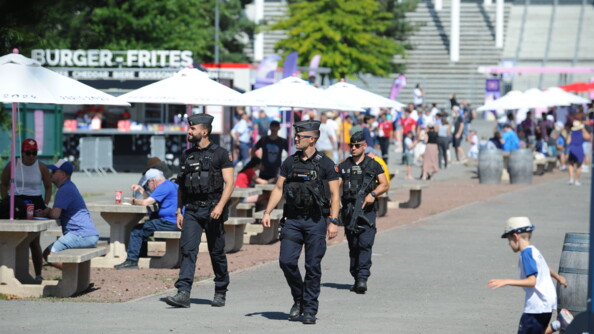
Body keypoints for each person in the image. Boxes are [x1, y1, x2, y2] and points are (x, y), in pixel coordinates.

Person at [261, 120, 340, 325]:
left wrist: (333, 221)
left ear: (312, 139)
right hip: (293, 220)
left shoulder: (326, 164)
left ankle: (309, 309)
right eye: (296, 136)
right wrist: (268, 211)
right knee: (286, 261)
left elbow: (335, 194)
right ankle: (299, 298)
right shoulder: (290, 162)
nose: (296, 139)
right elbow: (279, 188)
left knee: (312, 266)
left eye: (300, 136)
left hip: (315, 220)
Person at [165, 113, 235, 308]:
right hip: (192, 211)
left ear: (204, 131)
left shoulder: (220, 153)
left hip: (213, 209)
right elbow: (182, 186)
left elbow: (230, 183)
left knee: (217, 252)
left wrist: (220, 206)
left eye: (192, 129)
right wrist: (179, 210)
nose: (188, 131)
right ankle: (183, 293)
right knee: (187, 251)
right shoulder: (187, 155)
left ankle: (220, 290)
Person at [487, 217, 568, 334]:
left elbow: (532, 281)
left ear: (515, 236)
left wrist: (506, 281)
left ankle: (560, 323)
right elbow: (545, 268)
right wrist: (559, 278)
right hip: (546, 303)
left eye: (509, 240)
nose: (509, 244)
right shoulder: (534, 250)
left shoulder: (526, 254)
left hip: (537, 306)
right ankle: (559, 324)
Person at [338, 131, 389, 294]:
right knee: (353, 246)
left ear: (364, 146)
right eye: (351, 145)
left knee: (365, 244)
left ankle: (362, 278)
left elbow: (384, 184)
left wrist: (373, 194)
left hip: (367, 212)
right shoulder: (344, 166)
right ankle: (355, 276)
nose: (353, 148)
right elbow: (335, 187)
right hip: (349, 211)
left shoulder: (373, 164)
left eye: (357, 145)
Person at [0, 138, 52, 280]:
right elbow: (3, 183)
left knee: (34, 240)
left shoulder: (41, 167)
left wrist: (45, 205)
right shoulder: (13, 164)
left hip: (35, 200)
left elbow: (48, 186)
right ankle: (11, 272)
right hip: (17, 201)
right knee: (12, 236)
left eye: (34, 153)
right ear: (22, 153)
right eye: (28, 153)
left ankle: (38, 274)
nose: (31, 156)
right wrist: (6, 200)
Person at [35, 159, 99, 270]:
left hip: (80, 234)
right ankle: (78, 278)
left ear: (63, 174)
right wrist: (48, 211)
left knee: (48, 253)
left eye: (54, 171)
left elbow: (55, 214)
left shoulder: (64, 189)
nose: (50, 173)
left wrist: (46, 211)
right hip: (87, 234)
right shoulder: (69, 186)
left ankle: (72, 275)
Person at [115, 169, 180, 269]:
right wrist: (141, 190)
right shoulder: (169, 184)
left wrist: (133, 201)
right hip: (174, 221)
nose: (148, 187)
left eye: (147, 184)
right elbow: (151, 200)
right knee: (145, 228)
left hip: (168, 222)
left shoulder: (163, 187)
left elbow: (145, 202)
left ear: (152, 181)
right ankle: (141, 254)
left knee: (137, 230)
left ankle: (132, 261)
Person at [566, 120, 591, 186]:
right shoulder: (582, 133)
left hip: (572, 148)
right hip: (579, 149)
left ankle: (571, 179)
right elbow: (589, 137)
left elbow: (568, 142)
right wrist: (583, 129)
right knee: (579, 166)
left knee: (571, 164)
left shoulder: (571, 133)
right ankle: (577, 180)